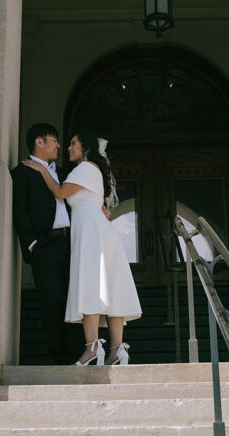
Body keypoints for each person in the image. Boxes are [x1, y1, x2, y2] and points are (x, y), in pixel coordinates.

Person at [23, 129, 141, 366]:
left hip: (90, 233)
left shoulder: (86, 168)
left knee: (91, 286)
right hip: (97, 229)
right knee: (110, 289)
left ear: (86, 147)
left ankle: (92, 348)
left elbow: (60, 192)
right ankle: (116, 350)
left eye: (73, 143)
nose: (68, 147)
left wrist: (41, 169)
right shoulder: (88, 171)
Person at [11, 123, 74, 365]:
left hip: (71, 243)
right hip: (44, 247)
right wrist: (32, 245)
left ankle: (77, 352)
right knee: (52, 299)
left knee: (73, 297)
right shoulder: (21, 173)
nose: (58, 145)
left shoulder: (65, 173)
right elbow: (20, 211)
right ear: (39, 142)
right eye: (54, 140)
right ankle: (58, 355)